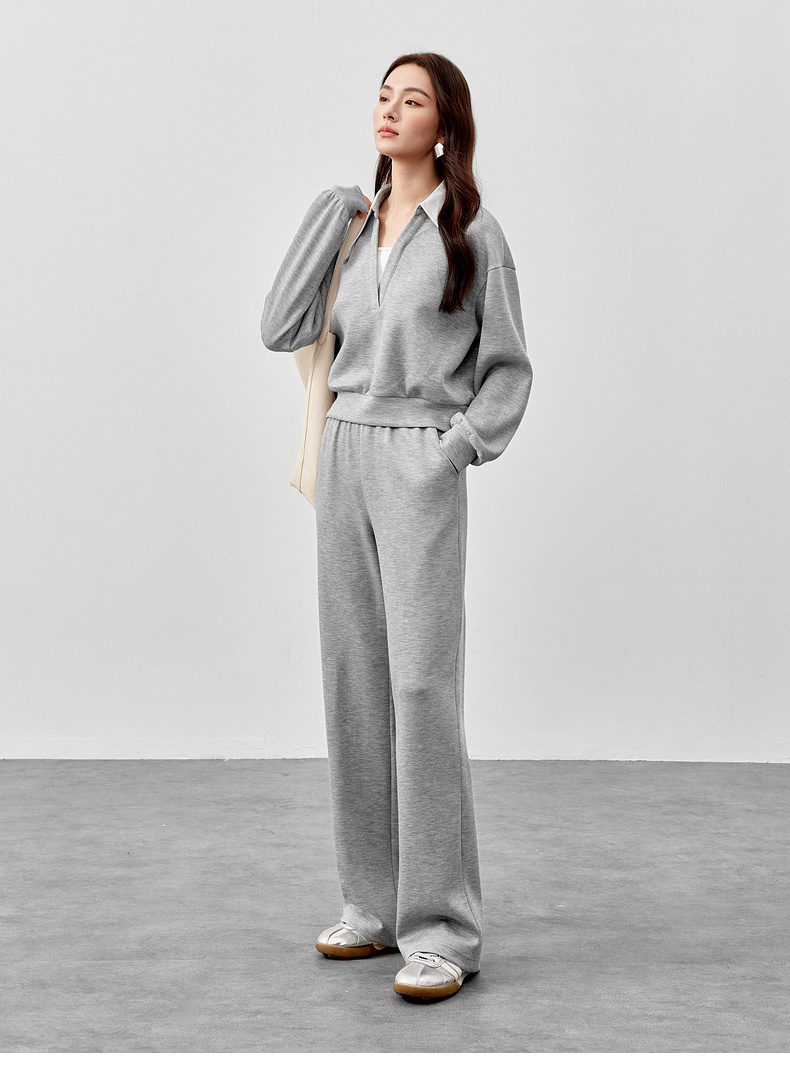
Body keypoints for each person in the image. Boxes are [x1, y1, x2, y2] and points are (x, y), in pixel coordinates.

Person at [261, 52, 533, 1002]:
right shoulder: (348, 225)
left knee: (421, 686)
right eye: (383, 96)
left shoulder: (474, 234)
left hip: (420, 457)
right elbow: (278, 326)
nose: (389, 110)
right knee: (354, 679)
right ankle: (370, 904)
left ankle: (444, 929)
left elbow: (509, 367)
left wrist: (455, 448)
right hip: (342, 449)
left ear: (444, 126)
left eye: (411, 100)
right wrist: (325, 216)